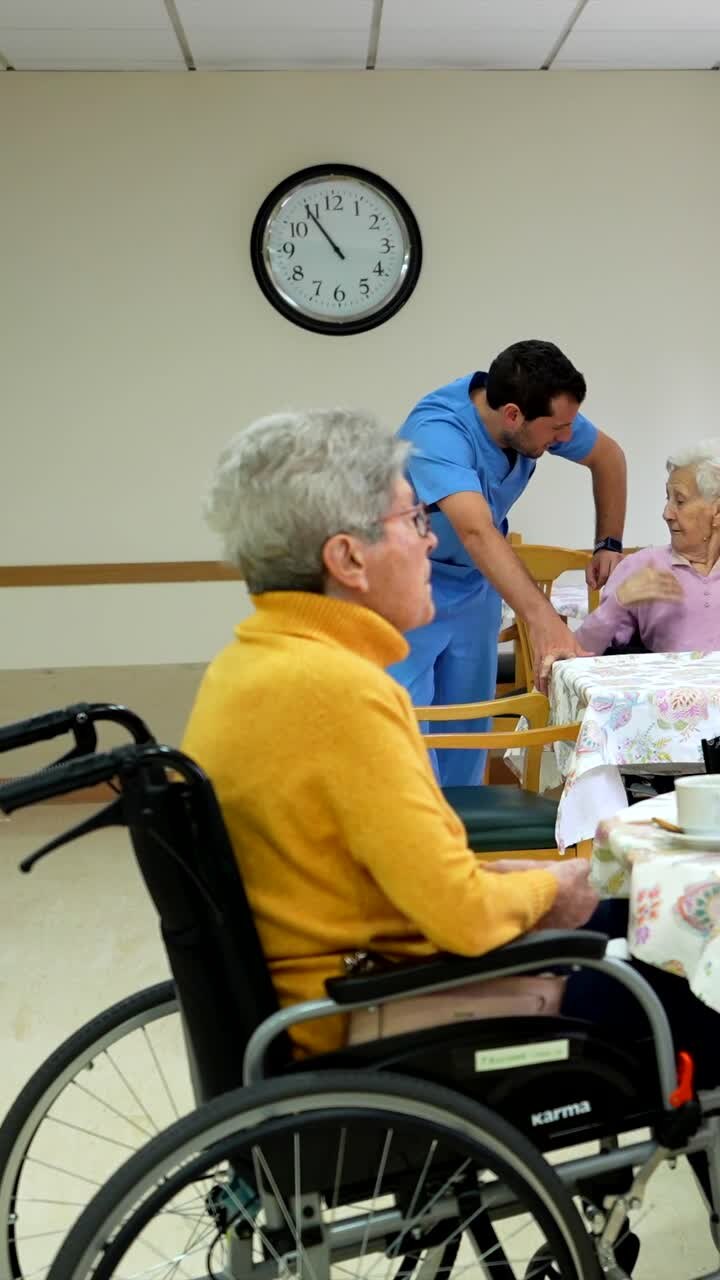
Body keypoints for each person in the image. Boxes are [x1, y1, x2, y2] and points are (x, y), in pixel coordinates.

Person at [182, 408, 719, 1119]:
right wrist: (556, 887)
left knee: (633, 910)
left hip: (342, 978)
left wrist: (534, 881)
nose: (433, 540)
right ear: (347, 559)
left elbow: (404, 876)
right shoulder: (340, 692)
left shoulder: (251, 666)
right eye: (415, 521)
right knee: (686, 970)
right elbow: (463, 920)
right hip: (370, 1013)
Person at [390, 340, 627, 787]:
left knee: (469, 735)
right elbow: (477, 531)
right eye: (557, 429)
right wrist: (542, 620)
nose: (565, 438)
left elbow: (608, 457)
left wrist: (609, 543)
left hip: (474, 585)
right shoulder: (436, 433)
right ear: (514, 415)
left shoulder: (539, 409)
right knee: (407, 736)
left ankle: (466, 832)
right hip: (405, 587)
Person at [575, 440, 720, 654]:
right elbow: (578, 653)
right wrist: (616, 603)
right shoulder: (642, 567)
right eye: (668, 498)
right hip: (667, 677)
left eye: (680, 501)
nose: (666, 514)